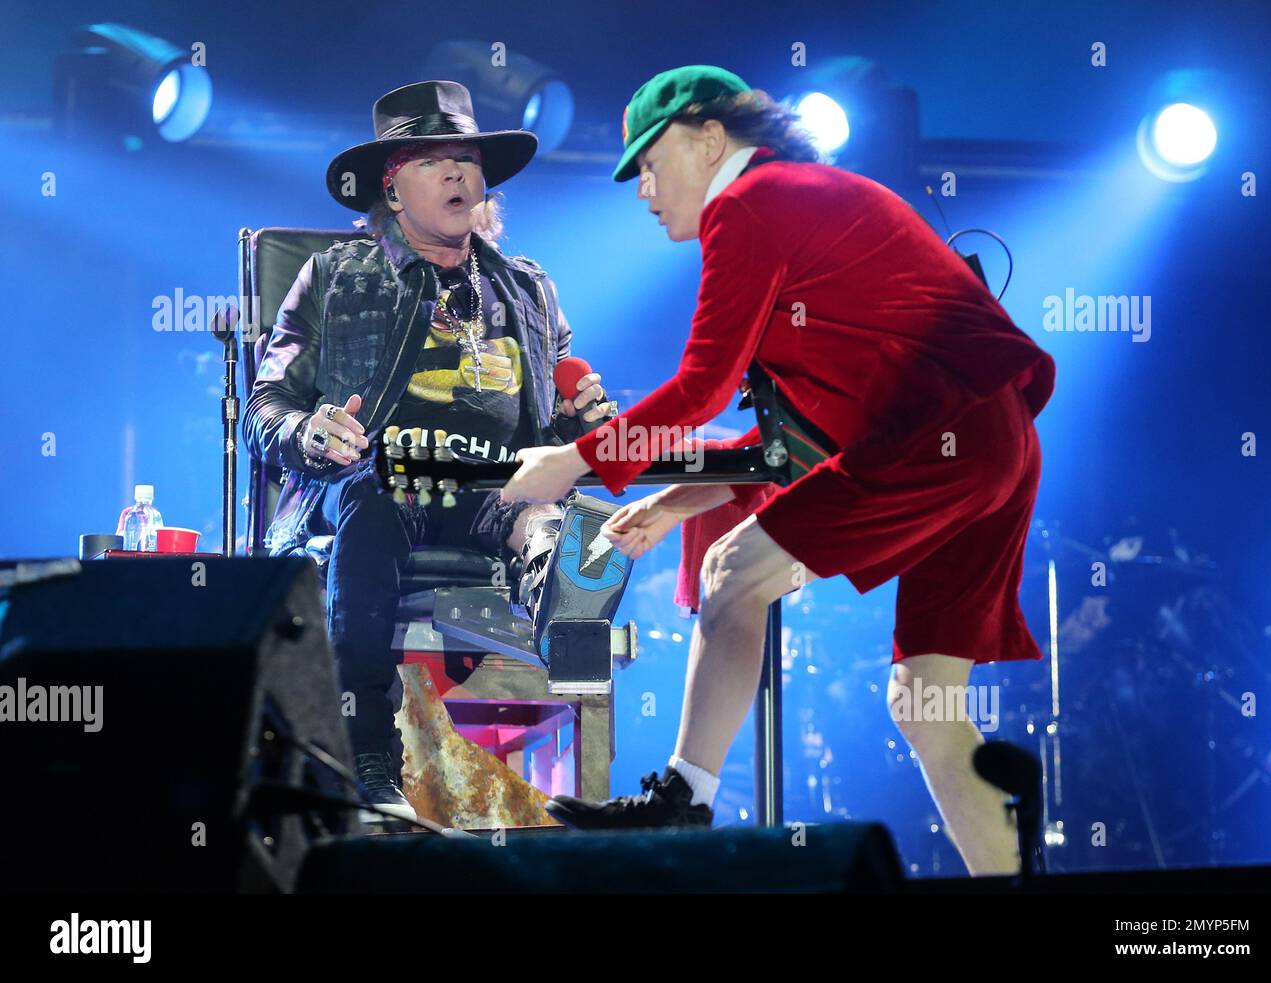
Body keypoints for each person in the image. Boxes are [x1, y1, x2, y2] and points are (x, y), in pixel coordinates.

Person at [500, 66, 1054, 875]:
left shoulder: (750, 203)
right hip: (990, 441)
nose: (643, 189)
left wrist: (576, 461)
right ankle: (1013, 885)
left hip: (945, 441)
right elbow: (789, 449)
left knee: (733, 572)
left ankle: (681, 800)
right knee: (926, 702)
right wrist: (676, 504)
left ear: (711, 137)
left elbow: (701, 390)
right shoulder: (801, 204)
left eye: (650, 164)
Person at [245, 80, 614, 823]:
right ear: (392, 182)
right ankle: (367, 757)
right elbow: (266, 409)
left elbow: (562, 438)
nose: (457, 173)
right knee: (374, 503)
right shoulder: (335, 276)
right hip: (380, 482)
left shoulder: (530, 291)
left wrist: (588, 428)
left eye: (467, 158)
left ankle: (584, 764)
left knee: (582, 534)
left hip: (497, 492)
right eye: (433, 160)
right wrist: (310, 432)